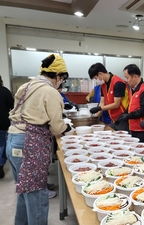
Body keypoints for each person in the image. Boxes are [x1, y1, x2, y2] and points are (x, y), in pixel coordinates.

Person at [6, 54, 72, 225]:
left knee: (24, 191)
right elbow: (57, 127)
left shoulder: (26, 86)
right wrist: (67, 128)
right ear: (57, 74)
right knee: (37, 195)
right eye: (62, 78)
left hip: (13, 139)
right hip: (30, 144)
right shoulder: (50, 91)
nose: (61, 82)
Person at [115, 64, 144, 146]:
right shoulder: (132, 90)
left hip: (143, 130)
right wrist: (123, 116)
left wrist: (128, 116)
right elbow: (131, 106)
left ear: (135, 77)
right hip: (133, 128)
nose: (126, 80)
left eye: (127, 77)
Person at [88, 63, 129, 130]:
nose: (97, 80)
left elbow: (116, 104)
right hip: (113, 118)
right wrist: (94, 118)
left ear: (100, 74)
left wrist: (100, 108)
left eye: (96, 78)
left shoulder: (118, 83)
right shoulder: (103, 84)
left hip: (122, 118)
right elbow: (102, 102)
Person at [0, 75, 14, 179]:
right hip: (2, 123)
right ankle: (0, 166)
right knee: (2, 145)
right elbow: (13, 106)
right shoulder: (4, 91)